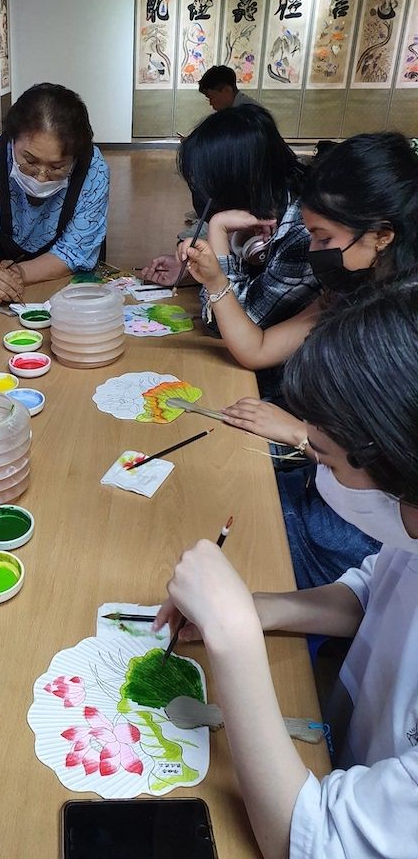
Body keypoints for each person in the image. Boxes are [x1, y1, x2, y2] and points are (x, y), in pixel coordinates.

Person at [154, 278, 418, 859]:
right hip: (356, 759)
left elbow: (311, 841)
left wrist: (235, 639)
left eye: (319, 452)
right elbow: (378, 586)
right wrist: (261, 608)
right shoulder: (410, 524)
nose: (313, 462)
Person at [185, 133, 418, 585]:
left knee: (226, 534)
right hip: (329, 487)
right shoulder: (350, 286)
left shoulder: (397, 335)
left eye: (323, 237)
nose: (313, 252)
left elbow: (384, 474)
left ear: (383, 235)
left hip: (358, 535)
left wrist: (298, 433)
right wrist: (215, 279)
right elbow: (257, 348)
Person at [142, 105, 320, 330]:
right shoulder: (260, 204)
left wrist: (218, 228)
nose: (202, 195)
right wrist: (190, 272)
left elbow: (230, 325)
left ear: (238, 180)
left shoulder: (301, 233)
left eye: (206, 184)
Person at [0, 82, 110, 305]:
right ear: (13, 140)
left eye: (57, 167)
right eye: (29, 161)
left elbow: (76, 250)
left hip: (65, 287)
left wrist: (17, 274)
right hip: (0, 287)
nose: (41, 177)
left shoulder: (92, 169)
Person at [198, 64, 262, 112]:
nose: (211, 103)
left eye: (212, 97)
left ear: (227, 90)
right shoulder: (233, 108)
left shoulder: (248, 112)